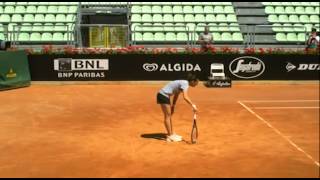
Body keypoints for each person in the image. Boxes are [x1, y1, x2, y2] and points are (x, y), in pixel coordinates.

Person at [156, 74, 199, 142]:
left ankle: (171, 133)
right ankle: (169, 136)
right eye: (196, 82)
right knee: (167, 116)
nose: (197, 84)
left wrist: (173, 106)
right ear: (193, 81)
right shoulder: (185, 83)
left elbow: (176, 95)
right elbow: (185, 97)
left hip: (164, 96)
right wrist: (193, 105)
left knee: (169, 115)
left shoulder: (183, 83)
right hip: (163, 95)